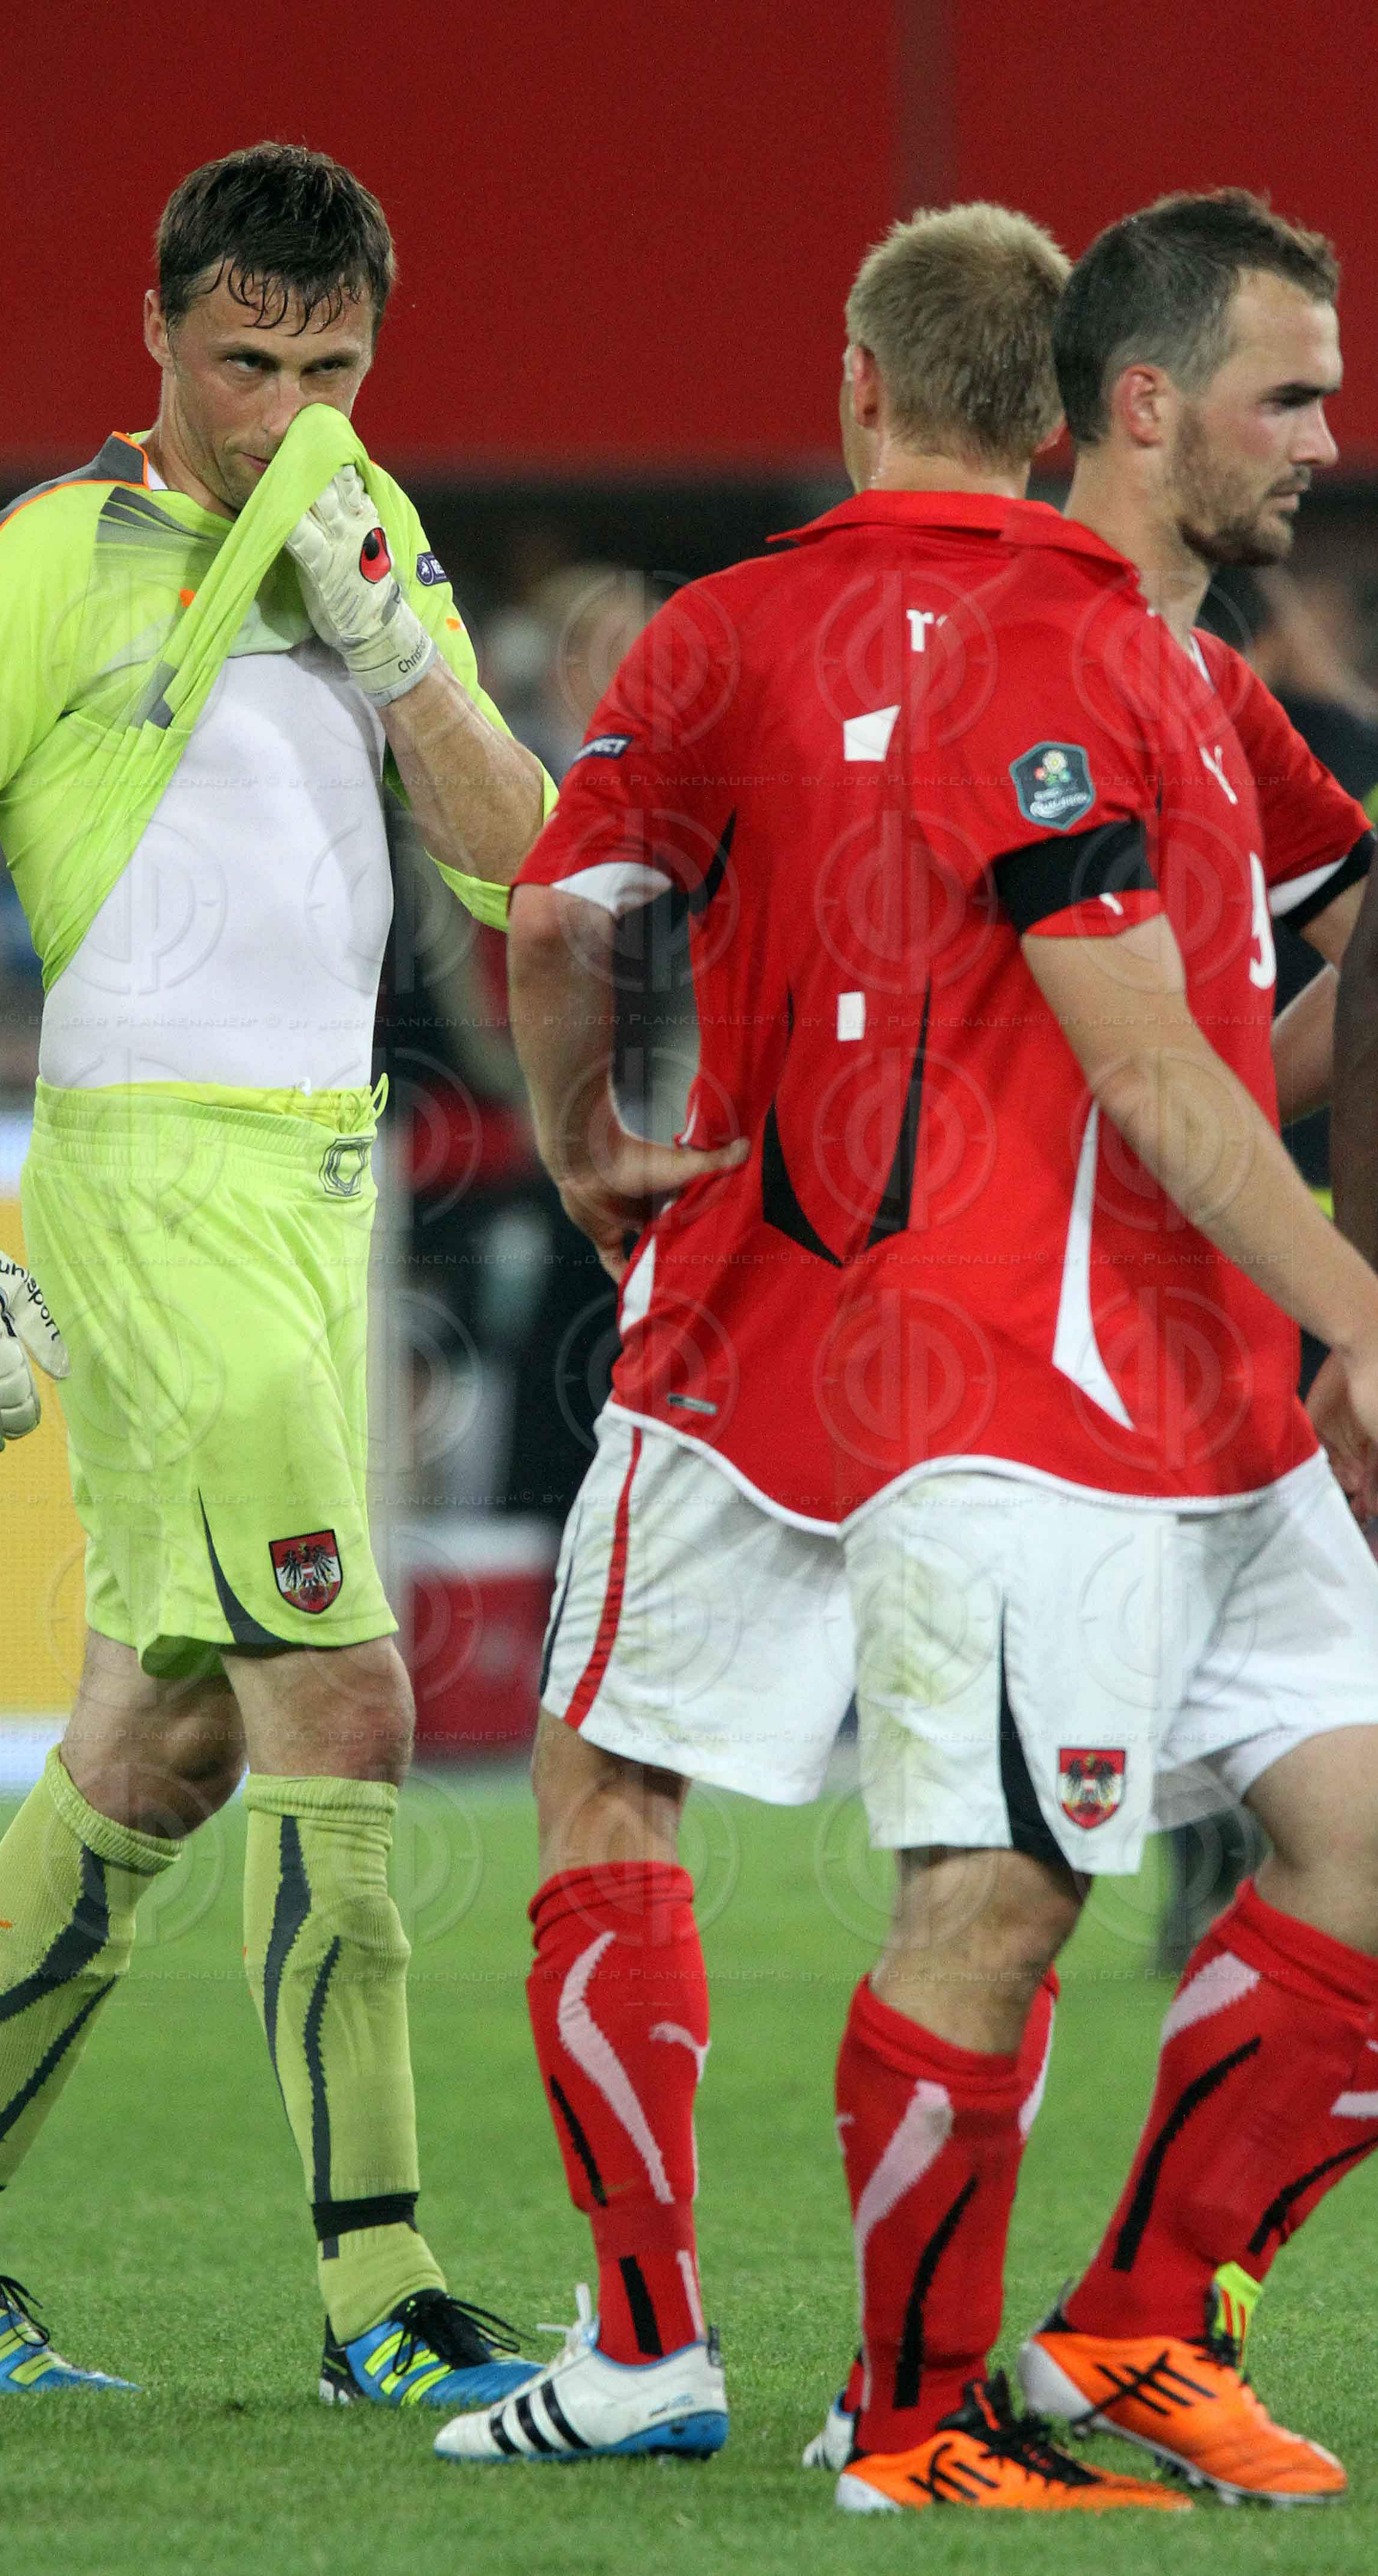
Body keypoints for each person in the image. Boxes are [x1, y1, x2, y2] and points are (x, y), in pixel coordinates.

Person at [0, 142, 550, 2404]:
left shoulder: (365, 529)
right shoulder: (53, 558)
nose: (283, 414)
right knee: (348, 1700)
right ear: (158, 335)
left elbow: (528, 876)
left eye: (331, 369)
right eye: (244, 365)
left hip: (324, 1193)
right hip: (154, 1190)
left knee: (169, 1729)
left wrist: (400, 658)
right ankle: (380, 2297)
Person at [435, 205, 1175, 2500]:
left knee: (605, 1779)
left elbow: (557, 917)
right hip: (1038, 1354)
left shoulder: (727, 631)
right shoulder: (1136, 641)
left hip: (755, 1311)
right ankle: (920, 2391)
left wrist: (584, 1139)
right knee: (986, 1873)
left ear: (858, 381)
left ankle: (644, 2343)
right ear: (1060, 414)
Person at [802, 189, 1378, 2511]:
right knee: (1003, 1900)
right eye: (1288, 397)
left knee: (1366, 1851)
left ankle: (1137, 2328)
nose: (1324, 440)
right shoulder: (1028, 657)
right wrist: (1360, 1306)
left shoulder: (1207, 684)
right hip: (1023, 1401)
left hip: (1218, 1399)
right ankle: (904, 2424)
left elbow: (1308, 985)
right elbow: (1141, 1063)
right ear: (1143, 406)